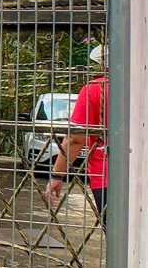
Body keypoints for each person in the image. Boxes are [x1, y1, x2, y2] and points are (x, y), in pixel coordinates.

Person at [47, 44, 109, 226]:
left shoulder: (94, 89)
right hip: (147, 174)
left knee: (116, 238)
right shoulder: (145, 90)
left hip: (105, 174)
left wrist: (57, 175)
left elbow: (75, 138)